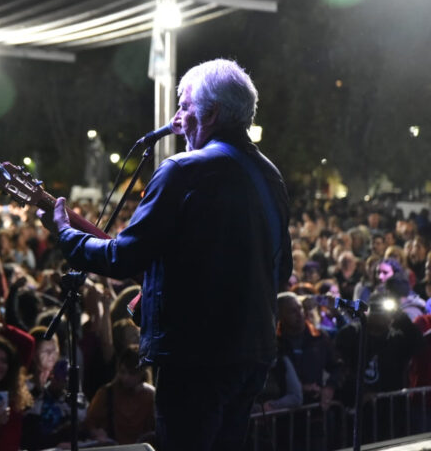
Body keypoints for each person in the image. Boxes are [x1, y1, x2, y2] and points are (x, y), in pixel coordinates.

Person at [42, 58, 292, 450]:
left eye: (185, 106)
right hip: (252, 355)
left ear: (210, 113)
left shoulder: (183, 171)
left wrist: (66, 235)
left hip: (193, 360)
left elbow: (123, 258)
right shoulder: (270, 176)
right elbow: (281, 271)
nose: (178, 118)